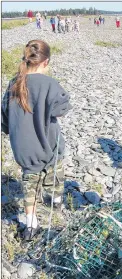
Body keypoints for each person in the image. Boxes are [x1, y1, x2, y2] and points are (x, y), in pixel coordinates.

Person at [1, 40, 72, 241]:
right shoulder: (50, 84)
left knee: (29, 182)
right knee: (56, 169)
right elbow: (62, 110)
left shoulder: (14, 82)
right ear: (46, 62)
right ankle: (55, 201)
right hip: (48, 143)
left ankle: (31, 226)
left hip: (24, 148)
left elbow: (3, 116)